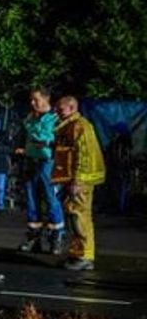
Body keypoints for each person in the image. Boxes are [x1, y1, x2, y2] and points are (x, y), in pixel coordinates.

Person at [51, 96, 105, 270]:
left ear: (72, 107)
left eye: (61, 109)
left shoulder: (80, 126)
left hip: (81, 180)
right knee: (73, 215)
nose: (57, 112)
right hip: (72, 179)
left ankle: (85, 255)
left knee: (79, 216)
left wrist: (78, 179)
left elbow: (84, 155)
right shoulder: (69, 126)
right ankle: (77, 253)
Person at [16, 88, 64, 253]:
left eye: (36, 99)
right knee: (31, 200)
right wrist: (20, 147)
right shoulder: (29, 118)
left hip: (48, 162)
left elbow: (62, 142)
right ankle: (33, 237)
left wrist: (48, 144)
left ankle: (55, 237)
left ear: (46, 99)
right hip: (31, 161)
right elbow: (23, 137)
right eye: (31, 100)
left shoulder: (56, 119)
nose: (32, 103)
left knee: (51, 199)